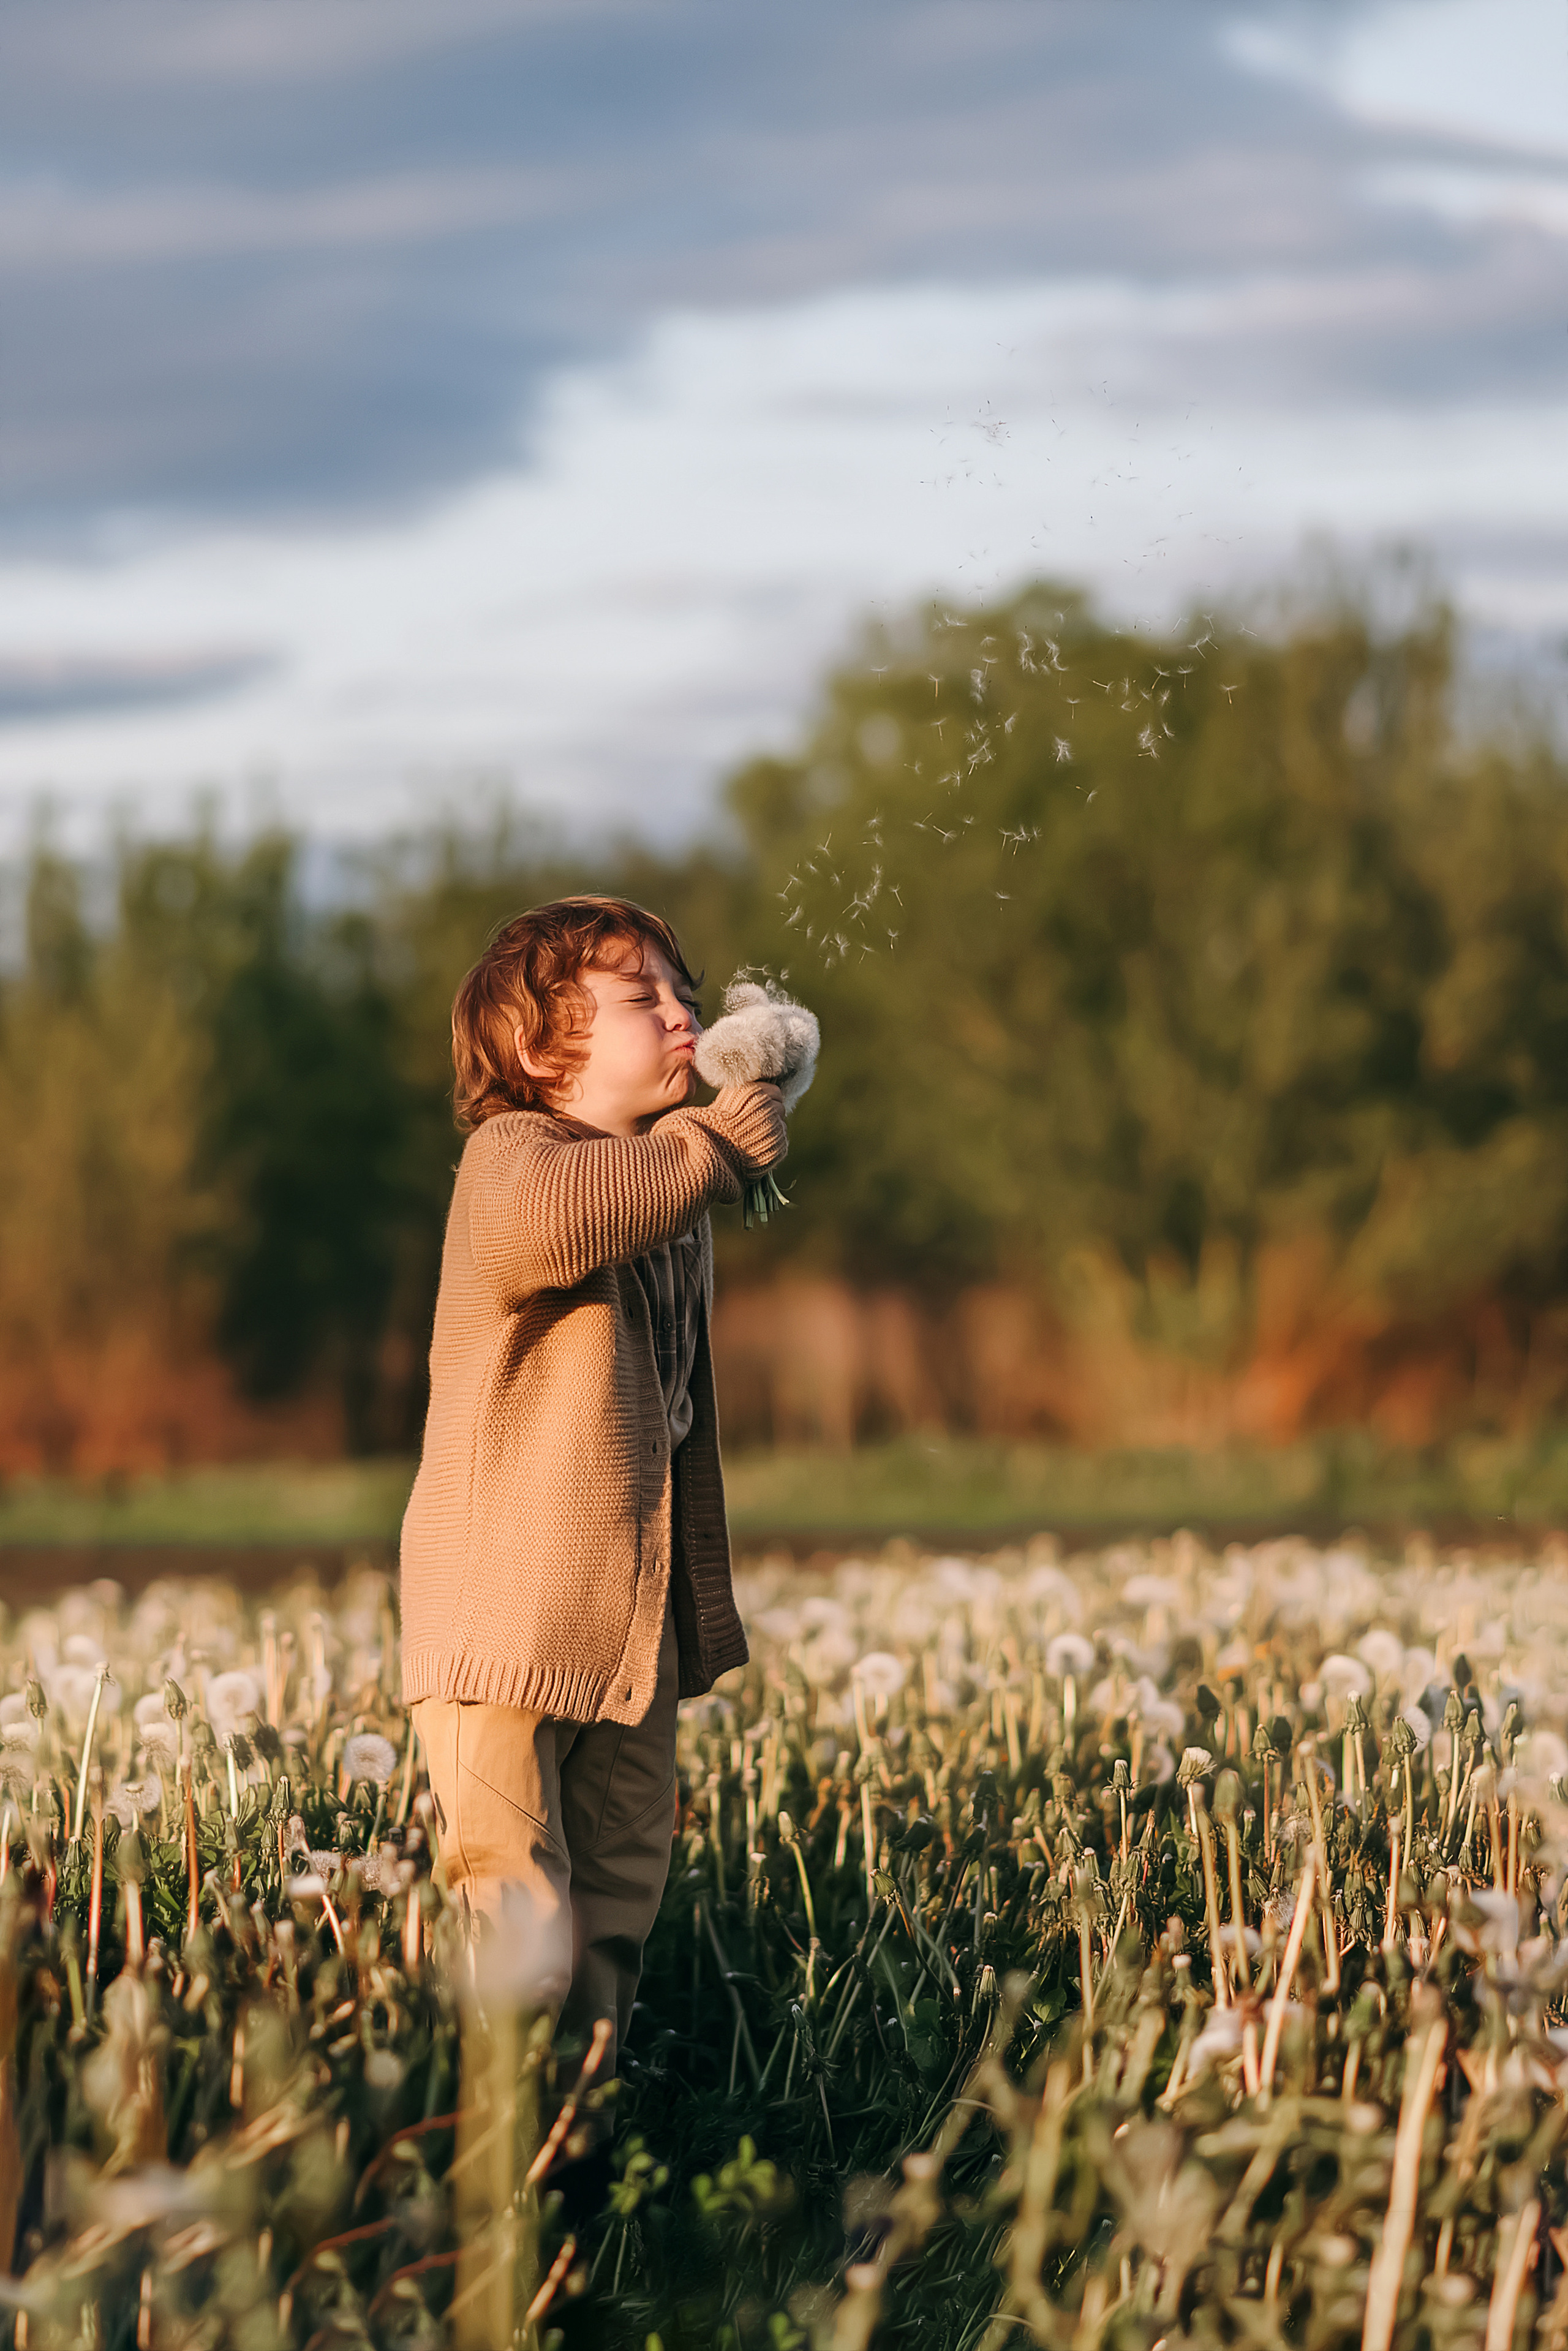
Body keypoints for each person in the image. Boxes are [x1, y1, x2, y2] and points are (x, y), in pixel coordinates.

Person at [400, 894, 786, 2074]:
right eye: (643, 1000)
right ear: (536, 1051)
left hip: (626, 1642)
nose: (683, 1017)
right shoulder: (515, 1160)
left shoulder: (662, 1192)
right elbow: (565, 1224)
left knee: (615, 1912)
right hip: (506, 1630)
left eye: (687, 994)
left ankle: (586, 2171)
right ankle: (495, 2185)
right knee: (517, 1918)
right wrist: (713, 1143)